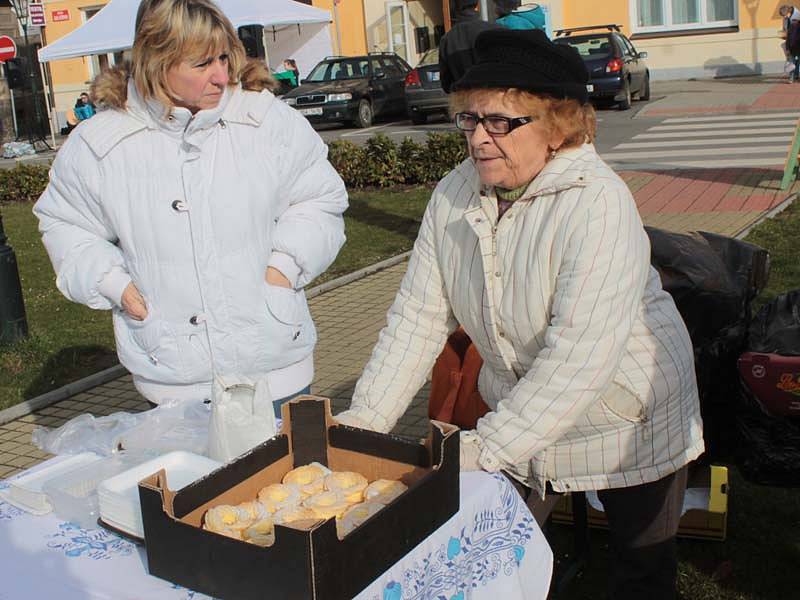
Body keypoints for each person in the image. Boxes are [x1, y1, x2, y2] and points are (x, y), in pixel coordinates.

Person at [337, 28, 704, 600]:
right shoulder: (453, 195)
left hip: (629, 410)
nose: (480, 139)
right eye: (470, 119)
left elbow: (580, 356)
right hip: (520, 410)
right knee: (499, 560)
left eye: (501, 122)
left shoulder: (598, 203)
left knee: (641, 568)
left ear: (556, 126)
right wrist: (365, 424)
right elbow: (417, 318)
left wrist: (487, 449)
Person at [34, 0, 348, 417]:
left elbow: (320, 197)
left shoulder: (265, 120)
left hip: (274, 368)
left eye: (223, 57)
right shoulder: (102, 142)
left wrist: (283, 269)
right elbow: (63, 223)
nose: (221, 75)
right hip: (172, 380)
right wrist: (115, 285)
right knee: (192, 483)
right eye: (202, 64)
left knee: (288, 481)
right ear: (156, 61)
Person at [780, 5, 800, 82]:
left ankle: (796, 76)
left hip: (796, 43)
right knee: (791, 61)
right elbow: (786, 31)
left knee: (796, 61)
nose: (784, 17)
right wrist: (784, 35)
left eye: (784, 15)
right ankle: (792, 77)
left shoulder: (796, 17)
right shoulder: (787, 19)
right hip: (791, 43)